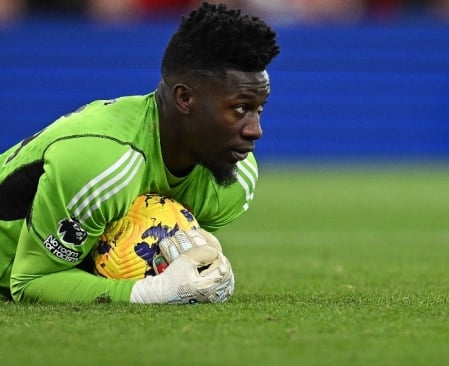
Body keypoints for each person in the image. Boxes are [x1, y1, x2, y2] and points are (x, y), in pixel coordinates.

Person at [0, 1, 280, 304]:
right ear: (185, 98)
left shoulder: (237, 179)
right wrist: (153, 292)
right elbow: (31, 281)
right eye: (240, 109)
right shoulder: (102, 162)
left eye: (258, 109)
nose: (255, 130)